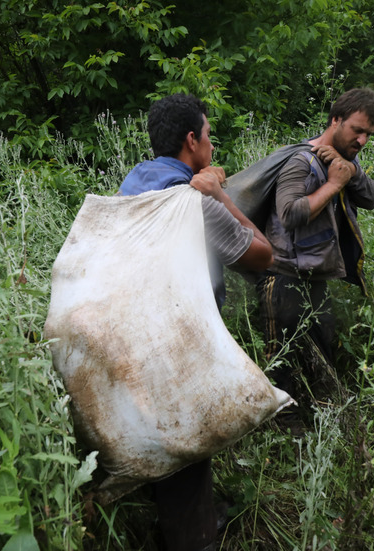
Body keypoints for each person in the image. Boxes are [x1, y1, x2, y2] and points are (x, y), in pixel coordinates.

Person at [117, 93, 273, 551]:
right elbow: (262, 256)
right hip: (179, 341)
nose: (211, 142)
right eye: (208, 134)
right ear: (192, 140)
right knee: (189, 438)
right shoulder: (193, 202)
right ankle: (194, 539)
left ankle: (177, 515)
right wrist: (219, 193)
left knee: (160, 431)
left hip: (132, 331)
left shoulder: (133, 183)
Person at [256, 87, 374, 408]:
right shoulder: (301, 161)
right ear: (335, 120)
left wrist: (349, 170)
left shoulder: (342, 161)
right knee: (280, 364)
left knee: (321, 361)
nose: (362, 140)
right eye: (357, 130)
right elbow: (289, 214)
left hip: (315, 280)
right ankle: (282, 438)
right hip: (282, 278)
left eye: (369, 134)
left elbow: (371, 198)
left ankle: (321, 427)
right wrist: (333, 184)